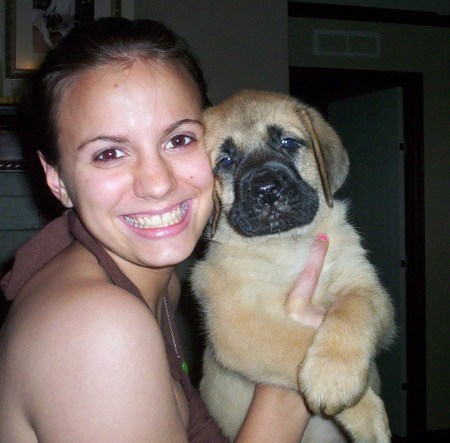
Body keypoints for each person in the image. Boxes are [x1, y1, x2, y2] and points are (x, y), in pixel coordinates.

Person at [0, 18, 328, 442]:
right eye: (110, 153)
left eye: (179, 140)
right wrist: (294, 375)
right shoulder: (98, 328)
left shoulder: (161, 284)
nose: (157, 183)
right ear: (57, 179)